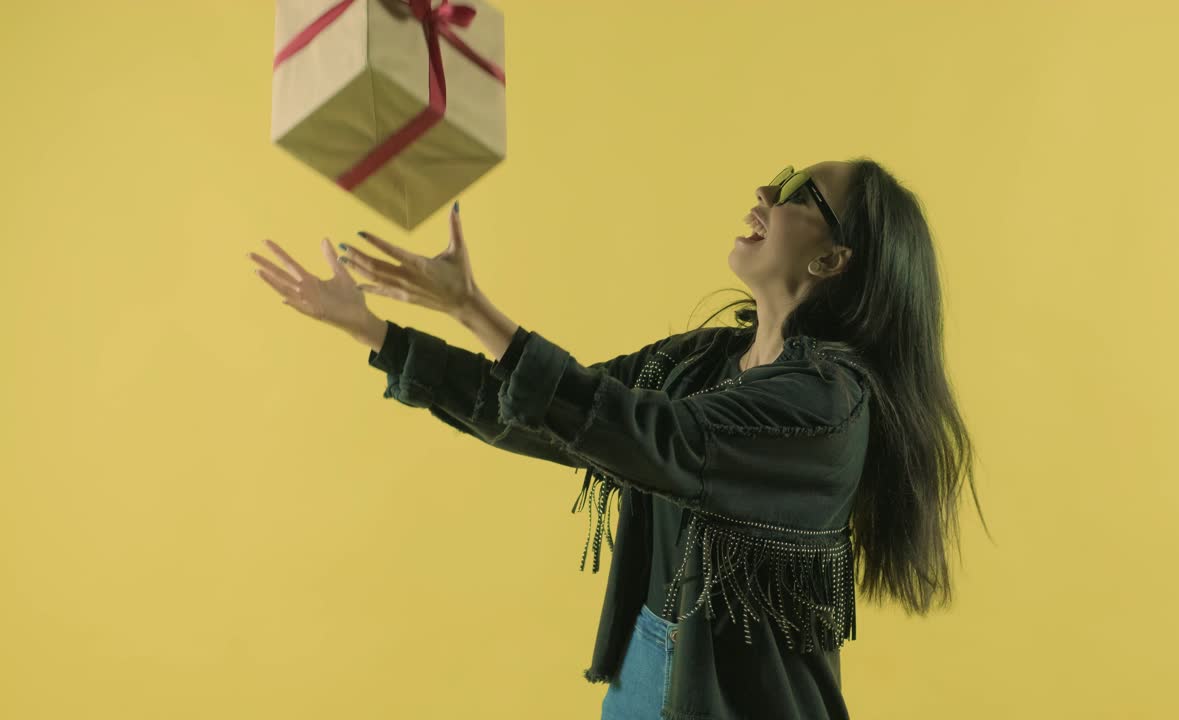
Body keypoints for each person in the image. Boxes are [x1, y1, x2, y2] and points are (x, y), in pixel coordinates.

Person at [246, 159, 987, 719]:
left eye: (798, 192)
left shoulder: (827, 404)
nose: (766, 195)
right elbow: (550, 413)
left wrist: (473, 308)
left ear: (831, 261)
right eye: (775, 177)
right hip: (646, 671)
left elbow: (651, 437)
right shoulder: (702, 361)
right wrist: (375, 334)